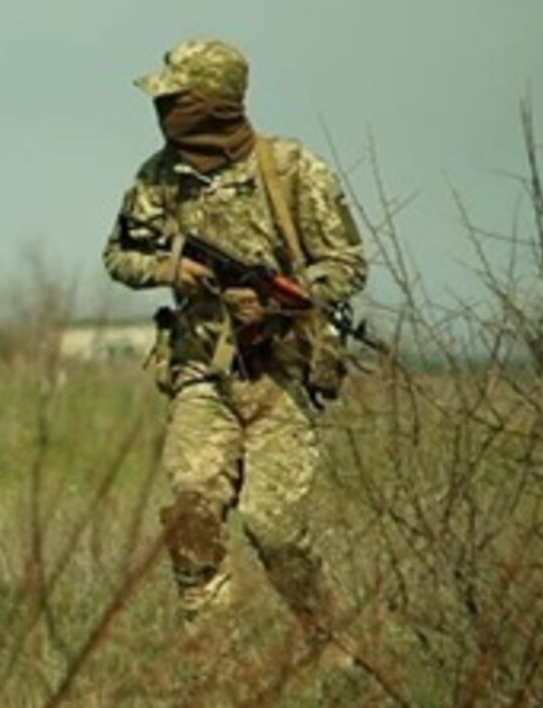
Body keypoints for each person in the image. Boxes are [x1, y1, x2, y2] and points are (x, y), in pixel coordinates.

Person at [102, 38, 367, 652]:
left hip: (282, 373)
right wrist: (173, 272)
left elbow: (346, 265)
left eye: (177, 100)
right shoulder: (159, 176)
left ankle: (339, 650)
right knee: (192, 513)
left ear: (212, 104)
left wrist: (282, 297)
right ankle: (212, 657)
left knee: (273, 527)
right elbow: (119, 254)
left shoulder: (293, 170)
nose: (164, 112)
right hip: (201, 369)